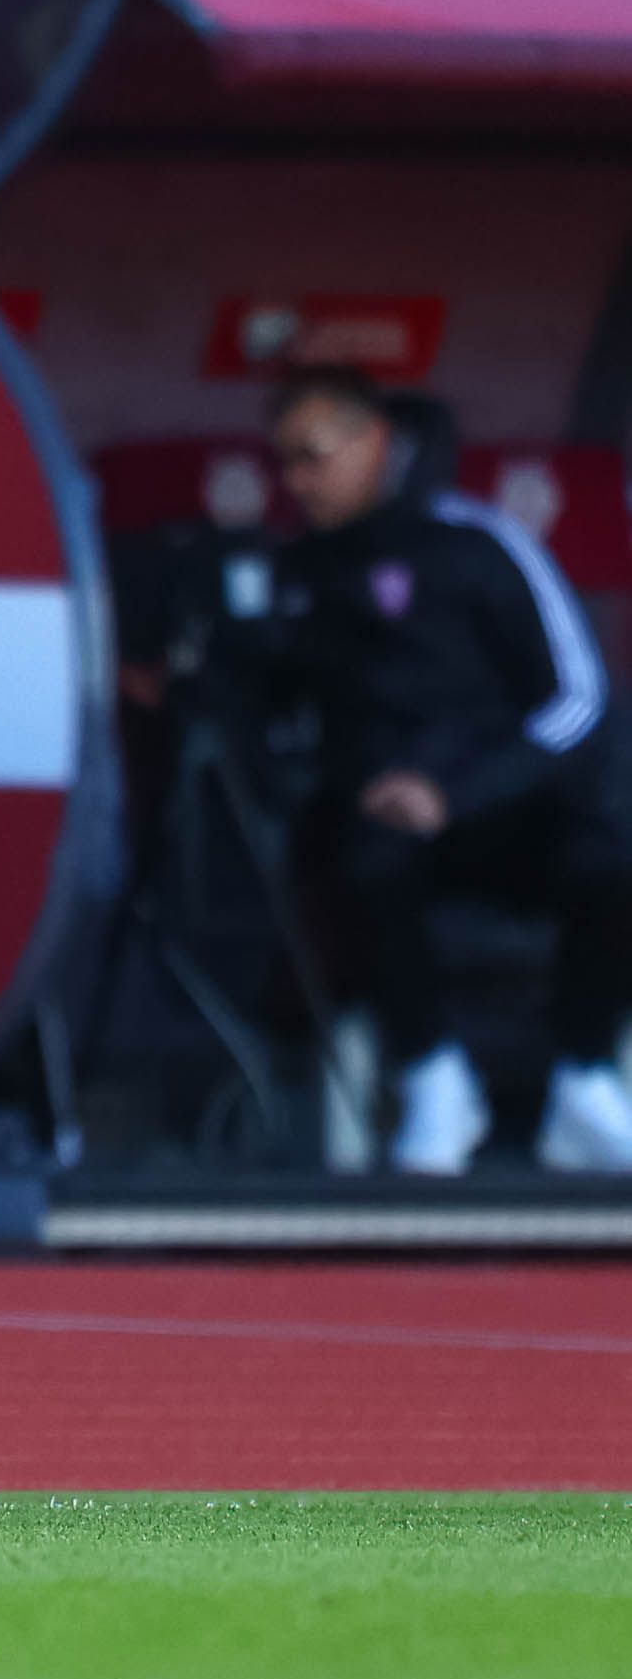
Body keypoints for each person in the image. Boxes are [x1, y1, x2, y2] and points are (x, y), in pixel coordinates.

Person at [264, 367, 632, 1176]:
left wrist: (456, 791)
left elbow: (579, 700)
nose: (296, 481)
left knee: (611, 850)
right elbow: (281, 715)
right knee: (360, 848)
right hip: (385, 822)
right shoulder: (298, 573)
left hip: (509, 807)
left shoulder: (478, 543)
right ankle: (434, 1081)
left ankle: (585, 1081)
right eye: (283, 461)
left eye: (312, 457)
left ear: (376, 445)